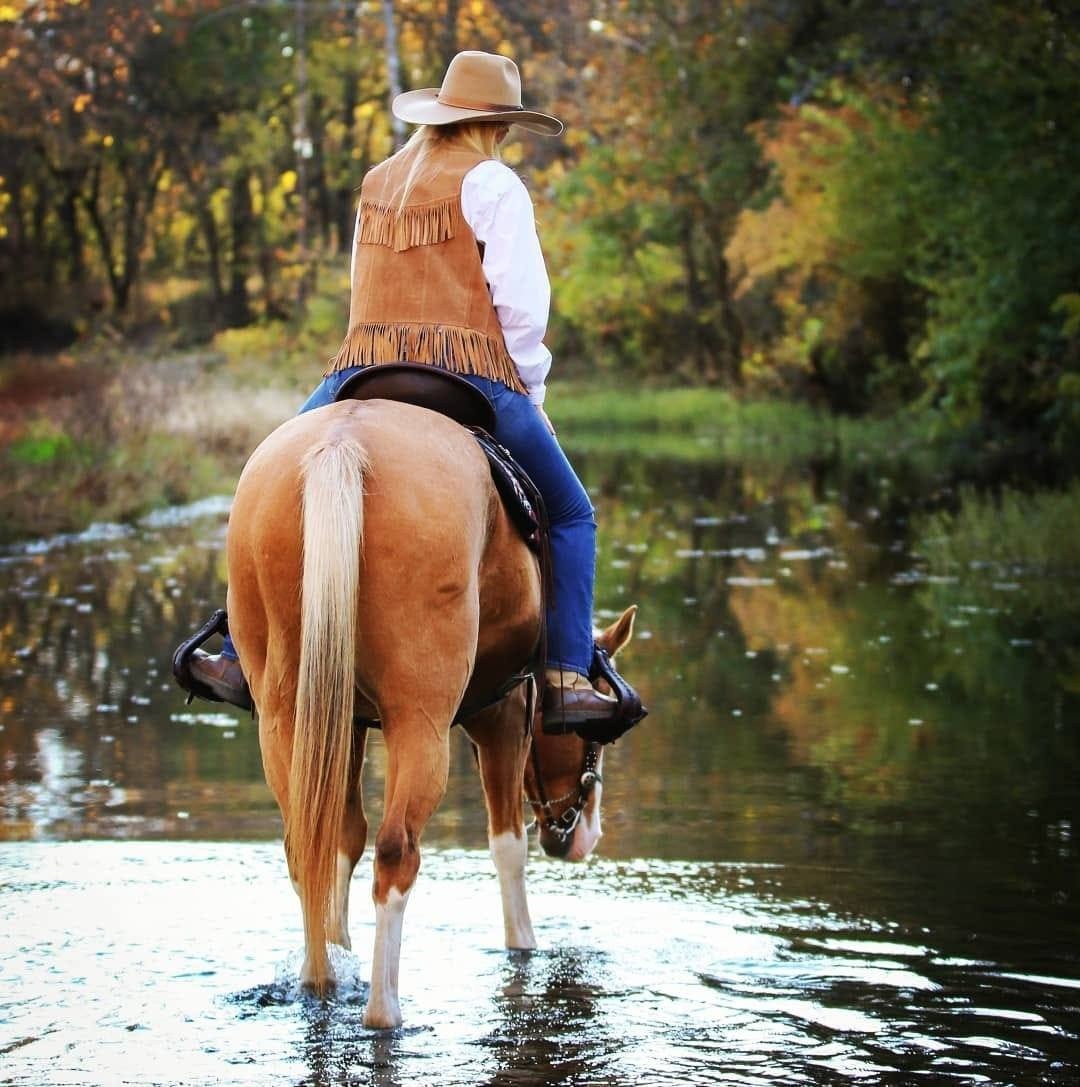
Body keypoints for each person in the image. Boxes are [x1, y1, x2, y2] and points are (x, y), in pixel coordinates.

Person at [189, 50, 632, 730]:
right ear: (496, 124)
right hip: (468, 375)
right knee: (573, 515)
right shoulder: (495, 183)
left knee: (262, 483)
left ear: (442, 114)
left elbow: (361, 286)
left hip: (361, 369)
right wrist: (532, 398)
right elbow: (522, 311)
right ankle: (568, 677)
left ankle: (236, 655)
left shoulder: (378, 180)